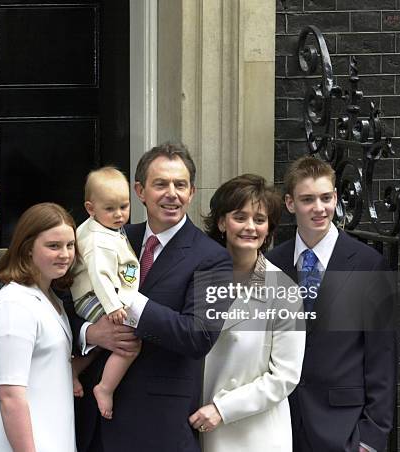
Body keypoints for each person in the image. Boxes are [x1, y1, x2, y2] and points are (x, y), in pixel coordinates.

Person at [71, 142, 233, 452]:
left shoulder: (213, 258)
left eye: (180, 185)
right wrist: (91, 332)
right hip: (91, 424)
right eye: (160, 184)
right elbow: (72, 292)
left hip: (156, 428)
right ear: (140, 191)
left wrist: (127, 301)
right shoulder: (112, 236)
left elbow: (198, 336)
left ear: (191, 192)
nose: (171, 193)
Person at [266, 156, 396, 452]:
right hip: (281, 425)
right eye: (307, 199)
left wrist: (370, 439)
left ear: (336, 198)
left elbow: (382, 357)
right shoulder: (273, 264)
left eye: (326, 197)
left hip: (343, 429)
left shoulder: (367, 265)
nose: (319, 208)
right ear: (290, 203)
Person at [189, 174, 305, 451]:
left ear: (269, 229)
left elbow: (285, 376)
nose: (250, 227)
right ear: (221, 222)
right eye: (240, 217)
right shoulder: (197, 278)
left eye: (259, 219)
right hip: (196, 427)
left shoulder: (284, 291)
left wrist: (222, 408)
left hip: (257, 435)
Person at [0, 203, 77, 452]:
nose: (65, 254)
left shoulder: (51, 298)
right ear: (28, 248)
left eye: (70, 245)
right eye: (53, 246)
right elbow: (10, 396)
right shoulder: (15, 304)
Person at [70, 167, 140, 419]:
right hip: (96, 298)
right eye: (110, 209)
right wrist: (112, 307)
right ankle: (105, 388)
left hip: (96, 296)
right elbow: (99, 275)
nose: (119, 214)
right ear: (90, 208)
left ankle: (73, 369)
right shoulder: (98, 240)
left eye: (124, 206)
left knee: (104, 341)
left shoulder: (100, 227)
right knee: (129, 341)